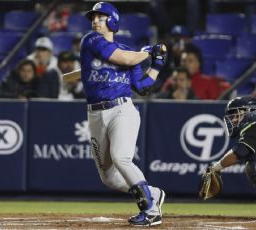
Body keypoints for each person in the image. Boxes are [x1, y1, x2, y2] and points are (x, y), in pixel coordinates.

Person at [80, 2, 167, 226]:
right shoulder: (91, 41)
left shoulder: (130, 52)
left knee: (121, 157)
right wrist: (147, 52)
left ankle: (150, 210)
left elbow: (143, 87)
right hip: (96, 114)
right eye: (94, 17)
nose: (96, 20)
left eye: (101, 17)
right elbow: (126, 60)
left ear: (113, 20)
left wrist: (157, 65)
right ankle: (153, 193)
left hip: (122, 110)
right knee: (108, 178)